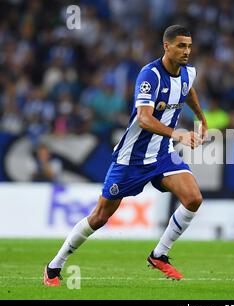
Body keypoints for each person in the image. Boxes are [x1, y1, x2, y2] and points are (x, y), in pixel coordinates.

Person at [43, 25, 208, 286]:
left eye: (189, 46)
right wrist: (177, 134)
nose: (187, 51)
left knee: (193, 198)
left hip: (162, 154)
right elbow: (143, 118)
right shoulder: (150, 75)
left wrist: (201, 117)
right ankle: (54, 266)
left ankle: (159, 255)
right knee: (99, 217)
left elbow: (188, 89)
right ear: (166, 46)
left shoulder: (188, 73)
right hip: (131, 158)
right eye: (181, 46)